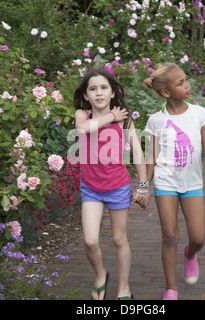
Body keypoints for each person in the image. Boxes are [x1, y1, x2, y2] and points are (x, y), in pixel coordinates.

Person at [143, 63, 205, 300]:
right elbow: (151, 158)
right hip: (166, 183)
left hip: (193, 183)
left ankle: (189, 254)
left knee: (198, 238)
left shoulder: (199, 113)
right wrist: (144, 186)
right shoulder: (156, 120)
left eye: (186, 80)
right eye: (180, 83)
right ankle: (171, 288)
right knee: (169, 235)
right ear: (166, 92)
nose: (187, 85)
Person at [74, 68, 150, 300]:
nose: (99, 93)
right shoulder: (82, 115)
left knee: (119, 239)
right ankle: (100, 276)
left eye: (104, 88)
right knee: (90, 240)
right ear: (86, 96)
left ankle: (124, 288)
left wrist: (144, 185)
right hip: (91, 189)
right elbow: (82, 129)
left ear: (113, 92)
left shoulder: (125, 120)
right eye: (93, 89)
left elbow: (137, 152)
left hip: (118, 186)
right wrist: (110, 117)